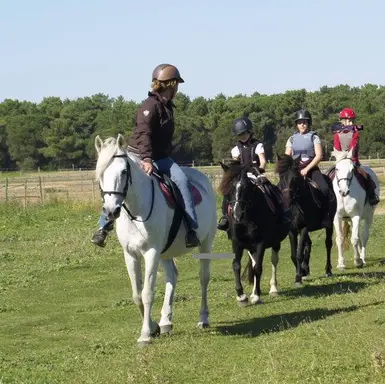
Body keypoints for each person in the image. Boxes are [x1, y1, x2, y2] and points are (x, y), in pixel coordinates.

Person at [91, 64, 200, 248]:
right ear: (170, 85)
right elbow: (144, 134)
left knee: (180, 180)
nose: (178, 89)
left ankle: (191, 229)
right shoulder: (149, 106)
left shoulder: (167, 107)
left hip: (160, 157)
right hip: (140, 155)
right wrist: (147, 159)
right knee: (119, 181)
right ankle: (103, 227)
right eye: (177, 85)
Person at [217, 117, 267, 231]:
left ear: (249, 131)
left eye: (243, 133)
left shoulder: (258, 145)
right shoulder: (235, 149)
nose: (242, 136)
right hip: (242, 177)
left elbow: (263, 161)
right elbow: (236, 165)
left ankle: (279, 212)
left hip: (256, 174)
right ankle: (225, 217)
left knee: (269, 189)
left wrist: (259, 169)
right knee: (228, 193)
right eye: (239, 135)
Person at [332, 107, 379, 204]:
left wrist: (350, 158)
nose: (350, 123)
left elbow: (353, 147)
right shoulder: (337, 134)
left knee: (366, 176)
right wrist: (341, 158)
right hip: (340, 161)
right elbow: (337, 148)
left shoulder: (355, 133)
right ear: (342, 121)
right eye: (348, 121)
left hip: (353, 160)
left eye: (352, 121)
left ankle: (371, 195)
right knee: (328, 175)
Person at [285, 109, 329, 197]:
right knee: (283, 188)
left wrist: (307, 169)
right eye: (299, 122)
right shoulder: (291, 139)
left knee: (325, 188)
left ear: (308, 123)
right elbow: (287, 157)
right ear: (296, 125)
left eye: (304, 122)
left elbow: (319, 156)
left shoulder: (314, 137)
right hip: (296, 169)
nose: (302, 125)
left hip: (312, 169)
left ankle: (325, 210)